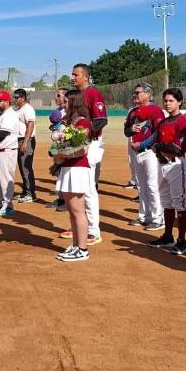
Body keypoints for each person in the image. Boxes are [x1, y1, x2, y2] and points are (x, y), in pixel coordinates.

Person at [58, 64, 107, 246]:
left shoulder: (93, 93)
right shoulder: (75, 95)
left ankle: (93, 231)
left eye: (76, 74)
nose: (73, 77)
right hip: (79, 143)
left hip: (90, 144)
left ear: (85, 77)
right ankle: (81, 227)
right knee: (78, 189)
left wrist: (83, 136)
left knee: (88, 188)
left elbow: (102, 120)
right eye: (72, 74)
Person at [146, 88, 186, 255]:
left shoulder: (183, 123)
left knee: (179, 203)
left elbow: (176, 148)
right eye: (165, 100)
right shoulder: (163, 122)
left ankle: (182, 241)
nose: (167, 103)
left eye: (171, 100)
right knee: (166, 202)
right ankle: (167, 236)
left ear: (179, 102)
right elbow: (155, 143)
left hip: (176, 165)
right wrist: (157, 147)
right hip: (162, 164)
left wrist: (158, 146)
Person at [125, 82, 165, 231]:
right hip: (136, 154)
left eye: (138, 92)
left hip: (150, 152)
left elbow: (158, 133)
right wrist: (130, 129)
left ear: (148, 94)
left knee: (152, 185)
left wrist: (142, 144)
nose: (135, 95)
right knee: (141, 186)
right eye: (135, 92)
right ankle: (144, 216)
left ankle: (158, 218)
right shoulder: (133, 112)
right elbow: (126, 132)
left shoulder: (156, 111)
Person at [45, 88, 68, 211]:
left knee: (65, 172)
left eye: (58, 95)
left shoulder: (69, 111)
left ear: (65, 96)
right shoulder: (58, 111)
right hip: (57, 144)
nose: (56, 97)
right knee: (58, 172)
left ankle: (66, 201)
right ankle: (60, 198)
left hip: (66, 146)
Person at [13, 88, 37, 203]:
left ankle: (30, 193)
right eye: (14, 97)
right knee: (22, 167)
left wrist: (25, 142)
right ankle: (25, 191)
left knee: (26, 167)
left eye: (17, 97)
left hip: (26, 140)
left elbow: (30, 124)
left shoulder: (28, 109)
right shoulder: (19, 109)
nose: (15, 99)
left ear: (23, 97)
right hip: (19, 140)